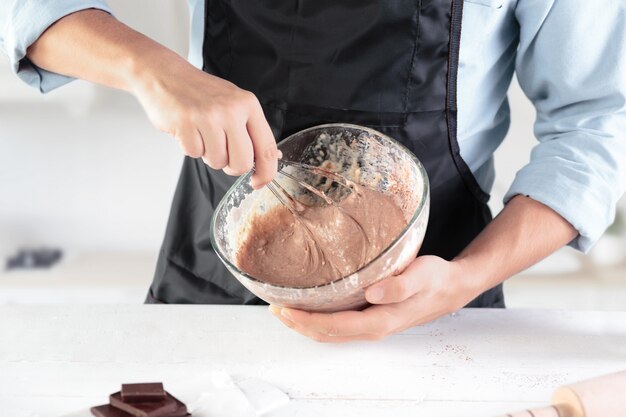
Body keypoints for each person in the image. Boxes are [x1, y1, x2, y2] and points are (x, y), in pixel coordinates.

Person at [2, 1, 625, 343]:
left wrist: (464, 279)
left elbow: (594, 124)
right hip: (209, 297)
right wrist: (148, 67)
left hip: (433, 302)